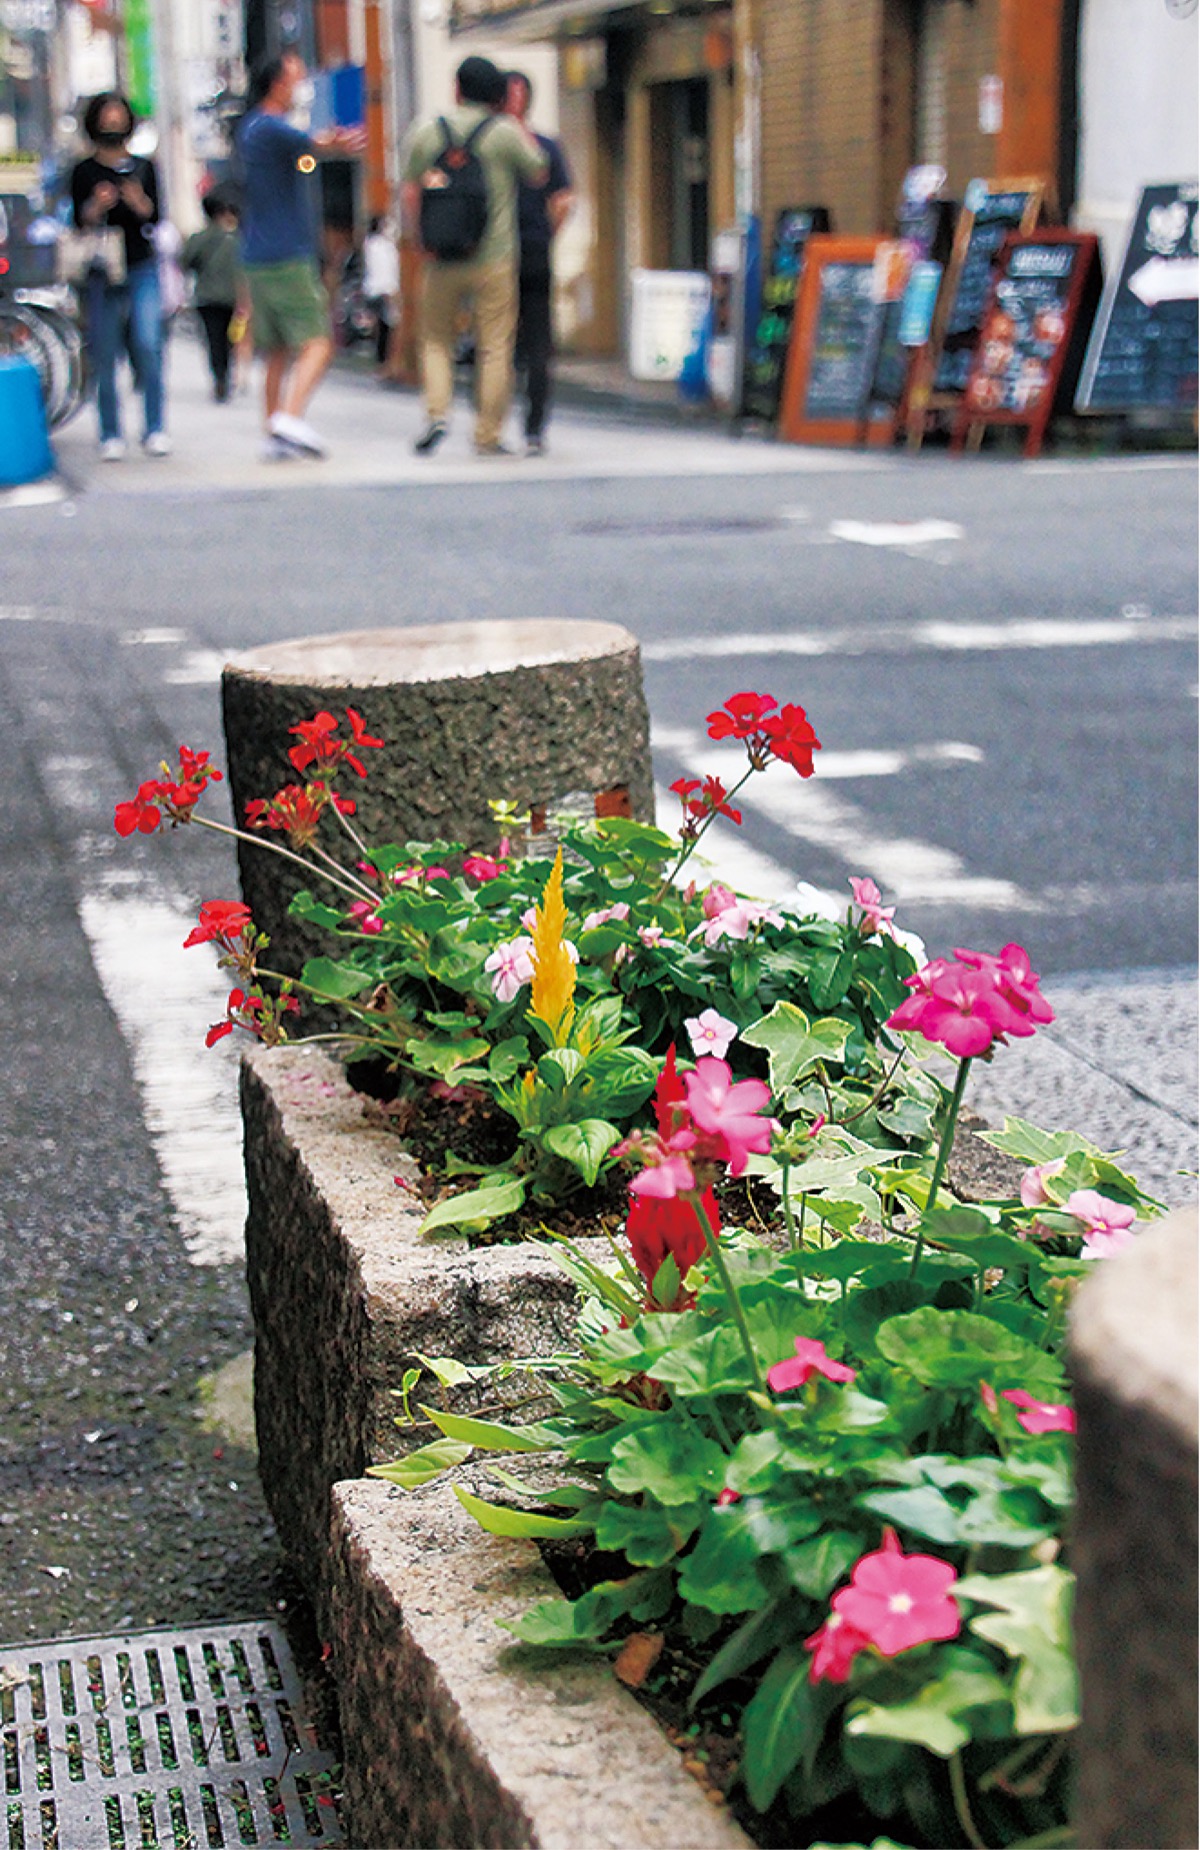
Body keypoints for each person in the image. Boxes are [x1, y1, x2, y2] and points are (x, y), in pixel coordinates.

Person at [401, 55, 547, 456]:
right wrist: (513, 119)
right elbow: (538, 171)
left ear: (456, 88)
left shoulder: (428, 130)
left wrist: (420, 238)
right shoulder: (503, 133)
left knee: (434, 339)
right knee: (495, 345)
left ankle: (437, 414)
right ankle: (487, 434)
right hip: (494, 256)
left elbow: (411, 189)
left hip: (441, 256)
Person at [235, 52, 365, 459]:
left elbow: (307, 154)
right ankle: (289, 419)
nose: (301, 86)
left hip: (259, 254)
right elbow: (314, 144)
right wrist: (336, 142)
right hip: (285, 254)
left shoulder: (251, 129)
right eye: (296, 79)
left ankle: (273, 429)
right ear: (277, 83)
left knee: (276, 349)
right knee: (318, 342)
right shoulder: (271, 128)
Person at [70, 92, 170, 460]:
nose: (112, 125)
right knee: (104, 352)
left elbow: (156, 217)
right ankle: (110, 432)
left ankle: (155, 427)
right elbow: (78, 222)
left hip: (141, 264)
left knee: (149, 345)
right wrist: (97, 204)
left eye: (118, 119)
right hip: (101, 269)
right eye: (106, 119)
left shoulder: (145, 167)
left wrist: (136, 199)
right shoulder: (83, 171)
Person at [504, 70, 574, 457]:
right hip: (525, 250)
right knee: (531, 341)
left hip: (517, 253)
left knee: (511, 342)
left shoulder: (500, 145)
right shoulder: (540, 146)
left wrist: (549, 233)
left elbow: (564, 199)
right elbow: (564, 199)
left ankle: (526, 424)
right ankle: (524, 426)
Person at [183, 194, 245, 402]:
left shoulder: (200, 238)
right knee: (226, 340)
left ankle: (220, 376)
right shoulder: (237, 238)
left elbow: (186, 261)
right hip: (227, 297)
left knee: (215, 340)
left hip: (207, 297)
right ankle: (223, 376)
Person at [361, 214, 400, 372]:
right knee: (389, 327)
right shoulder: (385, 246)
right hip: (385, 289)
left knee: (382, 327)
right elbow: (387, 269)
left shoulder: (369, 243)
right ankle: (386, 361)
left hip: (371, 288)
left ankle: (381, 360)